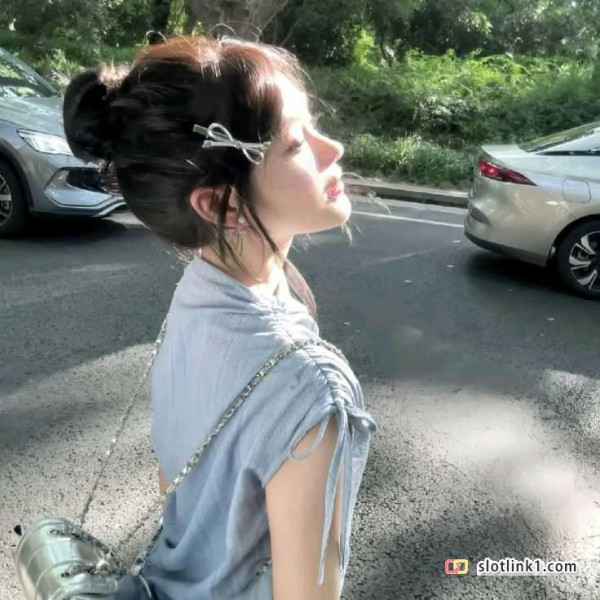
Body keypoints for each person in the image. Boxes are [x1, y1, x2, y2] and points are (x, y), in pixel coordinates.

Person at [62, 34, 378, 600]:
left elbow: (173, 482)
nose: (332, 148)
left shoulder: (196, 293)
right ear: (220, 204)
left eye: (313, 126)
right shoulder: (309, 390)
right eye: (294, 143)